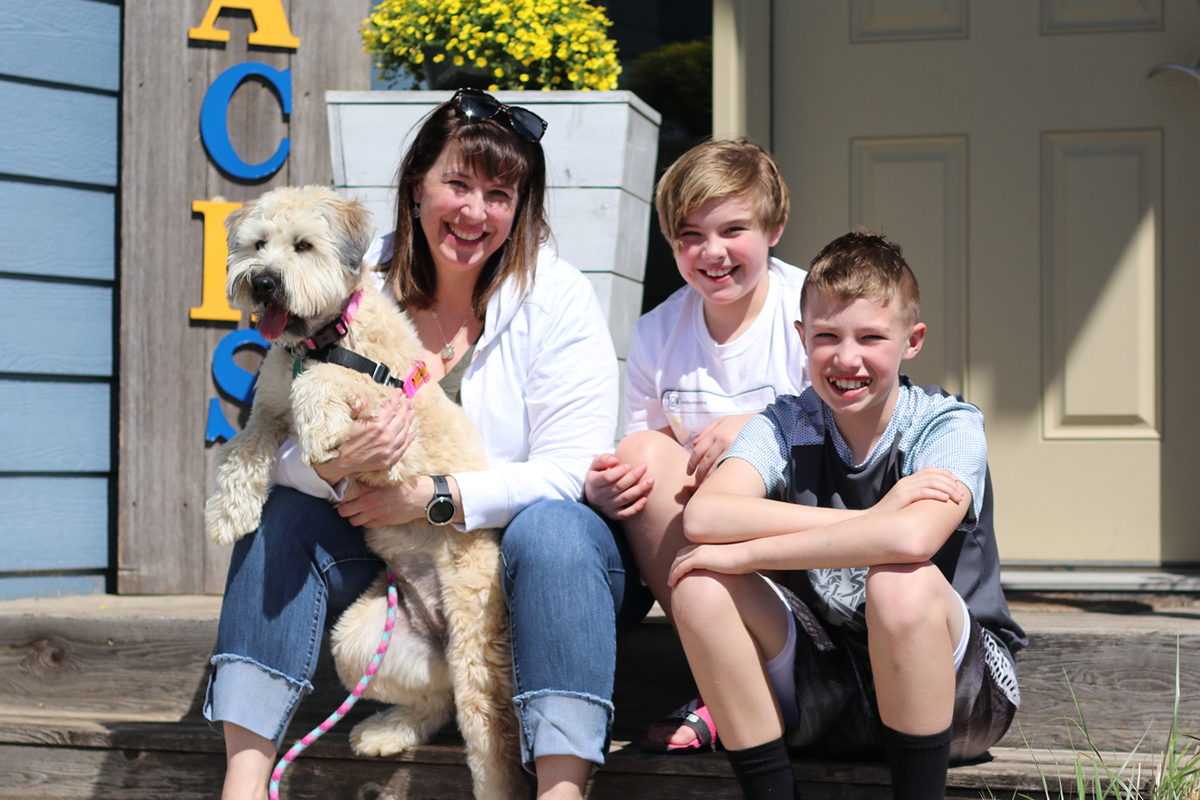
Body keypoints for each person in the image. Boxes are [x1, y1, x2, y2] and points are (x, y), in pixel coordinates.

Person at [204, 88, 652, 800]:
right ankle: (245, 779)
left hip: (539, 572)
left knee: (555, 531)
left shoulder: (556, 296)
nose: (476, 211)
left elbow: (571, 473)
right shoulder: (344, 276)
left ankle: (561, 788)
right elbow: (285, 434)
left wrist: (435, 495)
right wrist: (335, 465)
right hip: (394, 563)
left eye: (499, 194)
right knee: (279, 515)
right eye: (458, 184)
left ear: (520, 208)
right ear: (417, 187)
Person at [666, 232, 1026, 800]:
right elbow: (707, 516)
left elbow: (913, 539)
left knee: (898, 584)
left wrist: (753, 550)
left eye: (872, 337)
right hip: (832, 680)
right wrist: (877, 519)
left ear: (912, 341)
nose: (846, 358)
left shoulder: (947, 426)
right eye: (827, 336)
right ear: (801, 337)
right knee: (699, 588)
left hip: (960, 697)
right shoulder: (788, 423)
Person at [583, 139, 809, 752]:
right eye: (690, 235)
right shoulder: (659, 330)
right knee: (637, 457)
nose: (712, 253)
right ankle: (725, 672)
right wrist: (606, 485)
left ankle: (759, 673)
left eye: (733, 229)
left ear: (775, 228)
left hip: (801, 539)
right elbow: (646, 442)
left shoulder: (810, 309)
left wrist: (760, 427)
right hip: (705, 550)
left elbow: (856, 427)